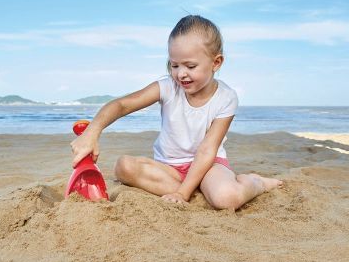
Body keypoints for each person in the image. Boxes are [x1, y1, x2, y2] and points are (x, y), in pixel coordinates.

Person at [71, 15, 282, 209]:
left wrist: (182, 193)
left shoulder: (226, 97)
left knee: (226, 199)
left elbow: (207, 150)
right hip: (170, 169)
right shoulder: (167, 87)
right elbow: (122, 105)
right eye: (174, 65)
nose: (181, 74)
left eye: (190, 66)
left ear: (216, 62)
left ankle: (256, 182)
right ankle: (198, 189)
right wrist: (92, 131)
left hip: (209, 166)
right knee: (124, 166)